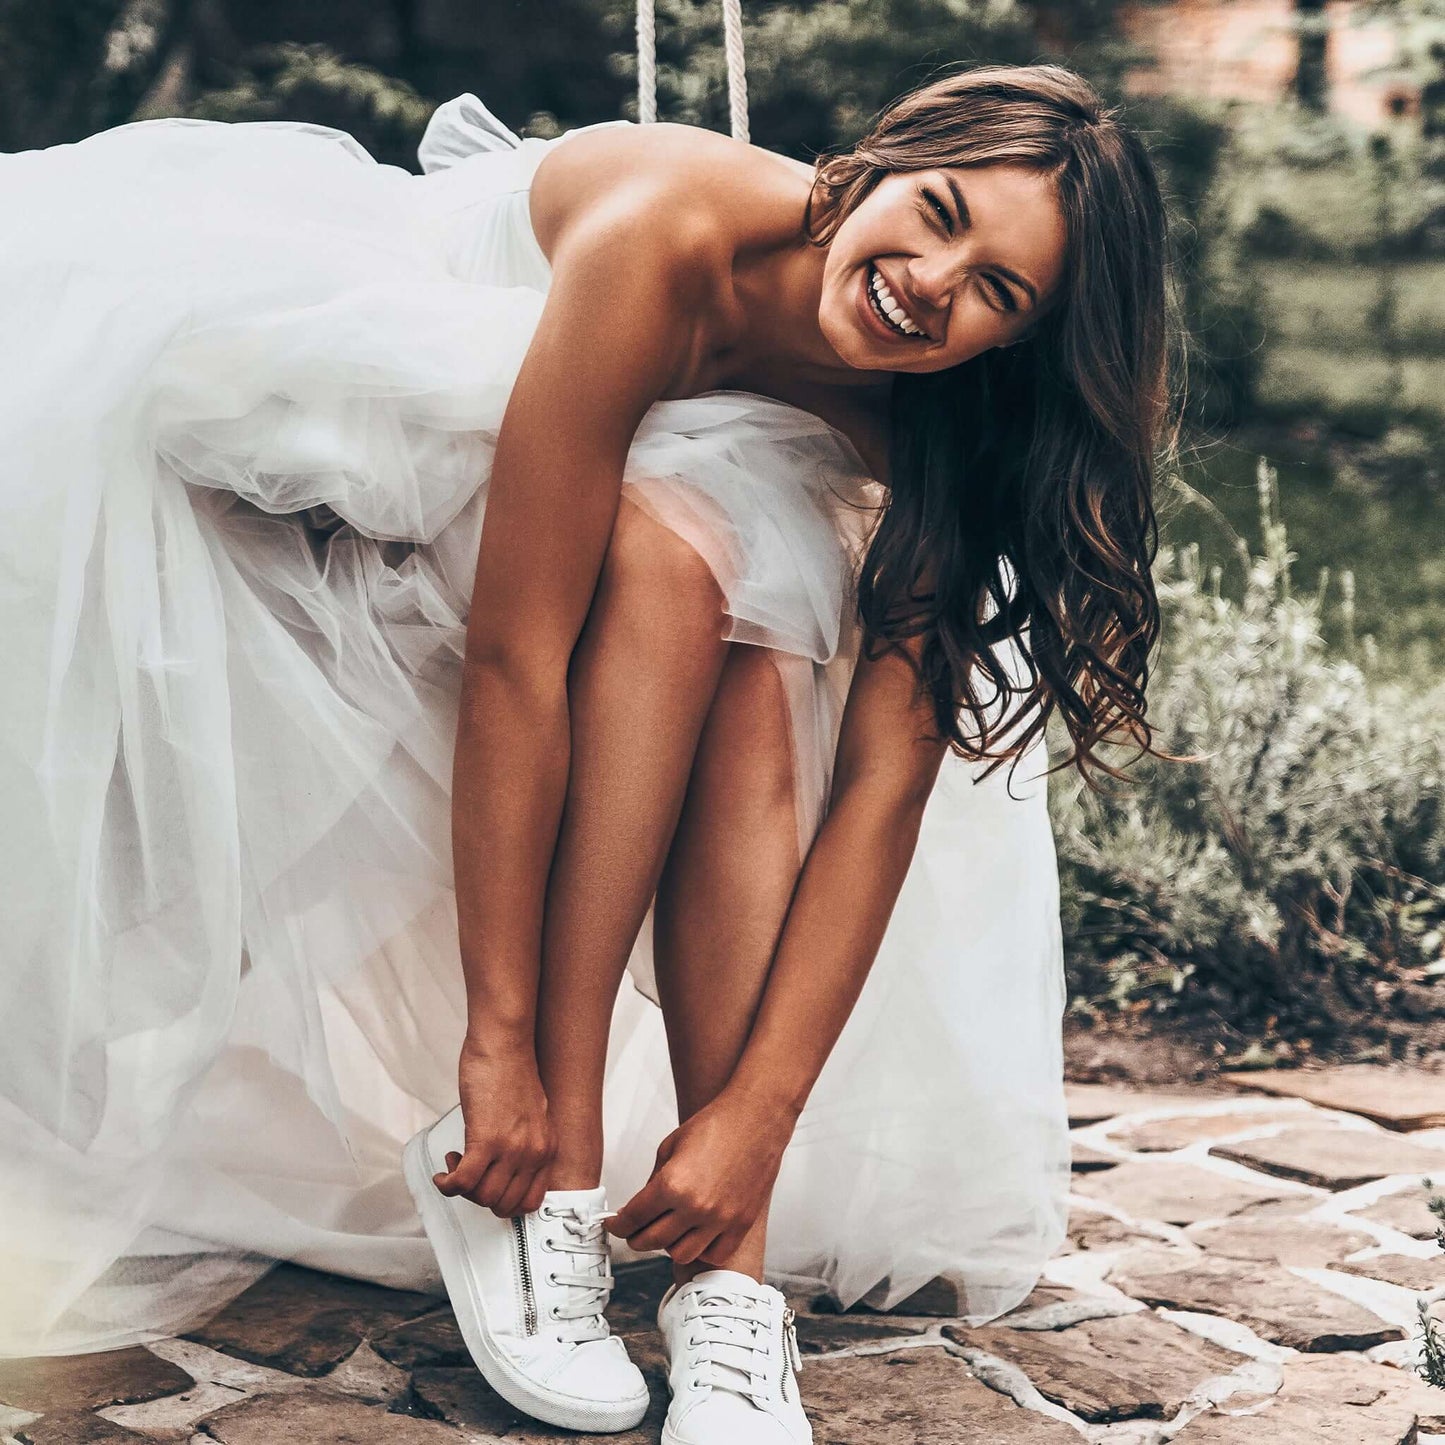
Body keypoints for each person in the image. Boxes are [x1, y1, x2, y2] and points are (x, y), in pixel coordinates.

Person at [0, 61, 1176, 1444]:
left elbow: (879, 796)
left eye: (996, 291)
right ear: (877, 163)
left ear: (1014, 345)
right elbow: (515, 657)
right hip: (409, 387)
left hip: (675, 457)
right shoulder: (665, 238)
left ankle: (722, 1276)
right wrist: (494, 1048)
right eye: (936, 211)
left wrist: (757, 1120)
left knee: (757, 651)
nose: (932, 278)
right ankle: (533, 1161)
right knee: (685, 565)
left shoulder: (940, 433)